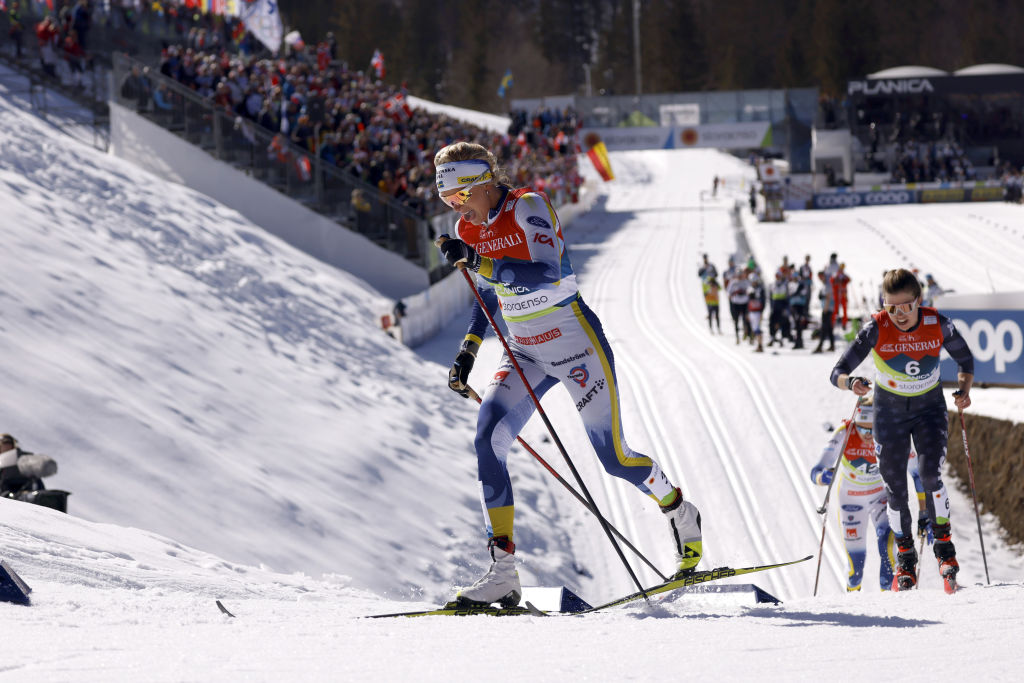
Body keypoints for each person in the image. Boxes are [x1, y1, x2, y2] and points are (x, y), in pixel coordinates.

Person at [433, 141, 703, 607]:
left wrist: (481, 262)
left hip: (574, 342)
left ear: (479, 182)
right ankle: (502, 572)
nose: (456, 210)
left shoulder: (528, 207)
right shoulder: (467, 229)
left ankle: (679, 509)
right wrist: (467, 352)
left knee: (614, 458)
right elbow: (488, 297)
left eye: (458, 197)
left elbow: (545, 272)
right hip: (523, 351)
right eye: (447, 203)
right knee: (488, 438)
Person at [830, 268, 974, 592]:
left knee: (930, 475)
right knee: (895, 488)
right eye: (891, 307)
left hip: (929, 412)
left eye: (906, 307)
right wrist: (851, 382)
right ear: (884, 304)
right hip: (889, 415)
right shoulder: (875, 327)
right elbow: (837, 372)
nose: (899, 315)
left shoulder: (938, 323)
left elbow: (965, 360)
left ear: (918, 302)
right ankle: (905, 560)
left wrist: (964, 390)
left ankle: (945, 552)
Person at [810, 397, 929, 591]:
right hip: (850, 501)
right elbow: (815, 472)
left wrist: (924, 510)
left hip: (880, 497)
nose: (867, 434)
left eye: (871, 429)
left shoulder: (892, 434)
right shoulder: (845, 433)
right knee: (855, 568)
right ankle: (854, 603)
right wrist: (824, 477)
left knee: (888, 549)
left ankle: (888, 604)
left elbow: (917, 474)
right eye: (862, 428)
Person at [812, 270, 836, 353]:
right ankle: (832, 345)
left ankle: (820, 345)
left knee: (824, 327)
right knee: (829, 328)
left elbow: (828, 297)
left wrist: (825, 308)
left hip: (827, 309)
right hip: (826, 308)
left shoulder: (827, 285)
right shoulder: (824, 285)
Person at [727, 267, 752, 344]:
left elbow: (750, 290)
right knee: (736, 320)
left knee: (746, 320)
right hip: (735, 303)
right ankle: (737, 337)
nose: (740, 276)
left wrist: (747, 293)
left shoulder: (746, 282)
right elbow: (728, 292)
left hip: (744, 303)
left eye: (741, 275)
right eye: (738, 275)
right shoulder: (733, 282)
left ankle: (748, 335)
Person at [747, 272, 766, 352]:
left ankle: (760, 345)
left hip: (757, 311)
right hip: (751, 311)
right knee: (754, 328)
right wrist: (747, 312)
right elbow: (747, 302)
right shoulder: (749, 289)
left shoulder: (760, 289)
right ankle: (757, 343)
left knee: (757, 329)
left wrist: (761, 312)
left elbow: (763, 301)